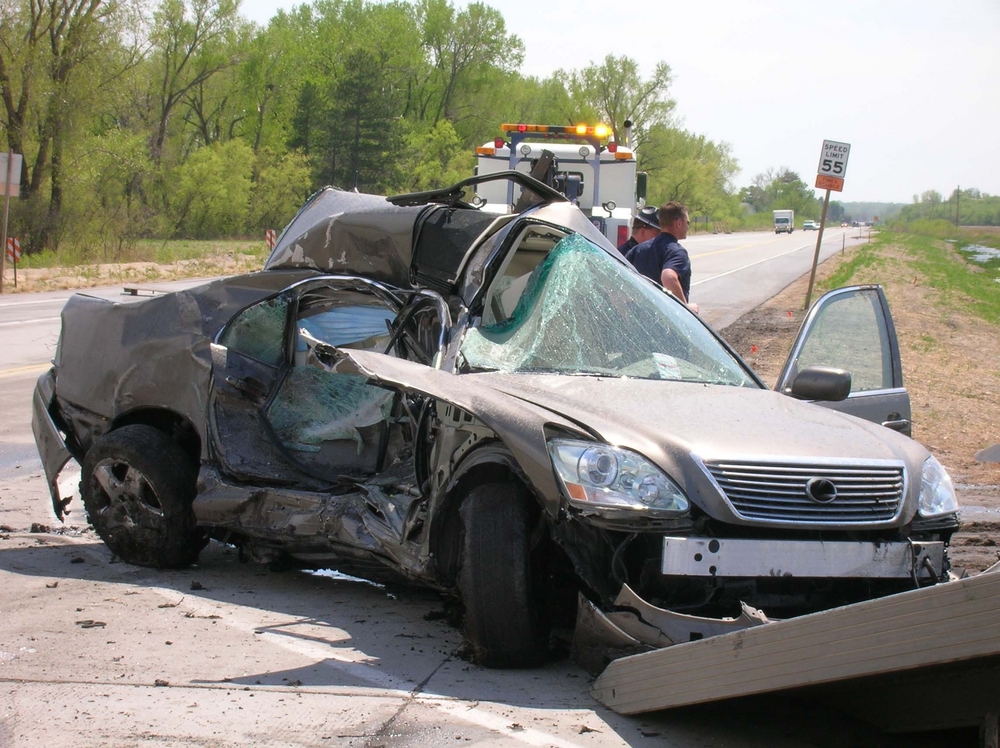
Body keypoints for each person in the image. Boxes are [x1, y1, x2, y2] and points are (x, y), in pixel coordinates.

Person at [625, 200, 693, 307]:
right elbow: (669, 277)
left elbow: (618, 276)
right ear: (678, 223)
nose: (688, 226)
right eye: (687, 223)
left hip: (638, 314)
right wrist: (685, 310)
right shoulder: (677, 252)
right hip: (664, 317)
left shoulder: (637, 249)